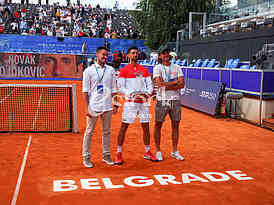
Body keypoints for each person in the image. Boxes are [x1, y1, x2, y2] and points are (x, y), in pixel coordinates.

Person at [114, 46, 157, 165]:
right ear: (128, 55)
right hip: (130, 104)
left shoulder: (144, 70)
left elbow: (150, 86)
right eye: (133, 53)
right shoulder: (124, 70)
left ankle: (147, 152)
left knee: (146, 127)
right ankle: (119, 153)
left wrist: (146, 94)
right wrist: (131, 94)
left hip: (143, 104)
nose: (135, 55)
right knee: (124, 127)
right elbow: (121, 88)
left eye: (137, 53)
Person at [82, 46, 118, 168]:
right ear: (97, 55)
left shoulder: (111, 70)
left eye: (106, 55)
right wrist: (87, 108)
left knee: (106, 132)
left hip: (107, 106)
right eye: (103, 54)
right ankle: (86, 157)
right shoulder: (88, 71)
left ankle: (106, 155)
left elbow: (114, 88)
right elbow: (85, 91)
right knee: (89, 132)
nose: (105, 57)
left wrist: (116, 103)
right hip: (94, 106)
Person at [153, 46, 185, 161]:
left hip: (175, 100)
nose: (166, 55)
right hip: (162, 100)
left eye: (167, 53)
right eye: (163, 53)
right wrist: (175, 82)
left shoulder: (177, 67)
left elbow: (182, 84)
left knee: (175, 125)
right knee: (158, 125)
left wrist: (168, 84)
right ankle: (158, 151)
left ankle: (175, 151)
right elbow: (160, 84)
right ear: (160, 56)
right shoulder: (157, 68)